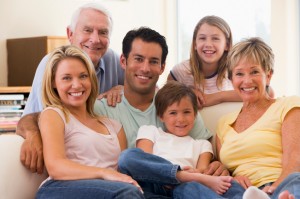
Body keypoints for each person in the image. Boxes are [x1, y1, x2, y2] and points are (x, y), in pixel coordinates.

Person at [17, 2, 123, 174]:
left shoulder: (113, 60)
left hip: (101, 157)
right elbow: (29, 118)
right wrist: (33, 135)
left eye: (103, 32)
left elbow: (150, 91)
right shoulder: (52, 64)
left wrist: (123, 89)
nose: (95, 39)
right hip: (69, 166)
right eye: (87, 30)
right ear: (70, 34)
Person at [35, 45, 143, 199]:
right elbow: (55, 167)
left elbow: (121, 175)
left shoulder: (114, 126)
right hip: (58, 189)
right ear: (53, 82)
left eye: (83, 76)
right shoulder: (54, 115)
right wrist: (104, 173)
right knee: (127, 192)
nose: (77, 84)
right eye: (67, 78)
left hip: (107, 192)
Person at [118, 81, 247, 198]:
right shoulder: (150, 131)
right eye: (173, 113)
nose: (180, 119)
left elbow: (203, 171)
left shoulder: (202, 144)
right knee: (127, 157)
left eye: (186, 112)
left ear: (195, 114)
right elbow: (144, 160)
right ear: (161, 116)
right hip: (153, 184)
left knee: (229, 184)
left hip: (185, 187)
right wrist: (180, 175)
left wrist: (195, 174)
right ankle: (181, 176)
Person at [216, 37, 300, 199]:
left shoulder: (288, 105)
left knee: (294, 181)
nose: (247, 81)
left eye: (254, 72)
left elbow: (295, 161)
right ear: (232, 80)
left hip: (281, 184)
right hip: (242, 193)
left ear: (268, 75)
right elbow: (226, 172)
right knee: (190, 188)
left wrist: (272, 190)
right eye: (239, 73)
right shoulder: (223, 123)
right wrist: (233, 178)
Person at [168, 15, 241, 109]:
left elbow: (255, 93)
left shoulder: (234, 70)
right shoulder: (180, 71)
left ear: (226, 45)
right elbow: (165, 99)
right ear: (195, 44)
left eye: (215, 39)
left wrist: (217, 97)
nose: (208, 44)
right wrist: (186, 92)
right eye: (202, 38)